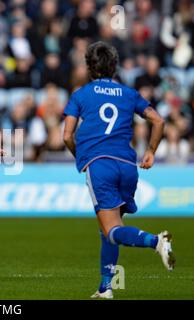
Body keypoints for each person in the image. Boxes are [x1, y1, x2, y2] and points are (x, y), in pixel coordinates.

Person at [63, 41, 175, 299]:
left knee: (112, 230)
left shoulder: (81, 94)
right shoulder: (129, 93)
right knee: (108, 229)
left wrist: (82, 156)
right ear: (114, 67)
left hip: (100, 164)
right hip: (127, 165)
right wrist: (151, 151)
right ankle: (105, 288)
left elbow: (67, 136)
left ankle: (156, 241)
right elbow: (158, 120)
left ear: (89, 67)